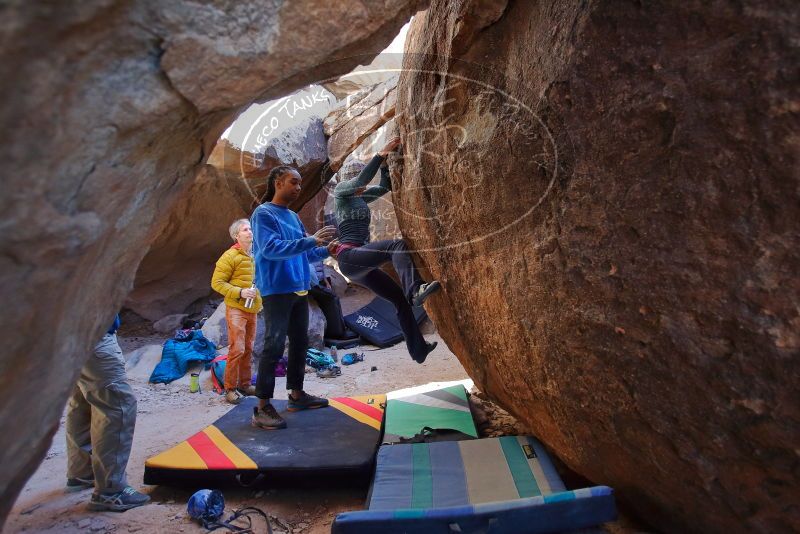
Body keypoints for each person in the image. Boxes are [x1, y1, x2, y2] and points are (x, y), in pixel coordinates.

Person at [333, 137, 441, 364]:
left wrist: (384, 166)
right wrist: (380, 153)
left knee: (398, 300)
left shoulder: (360, 197)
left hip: (360, 264)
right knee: (396, 245)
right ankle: (415, 290)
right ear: (349, 178)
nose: (362, 185)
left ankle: (418, 350)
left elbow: (384, 187)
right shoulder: (342, 192)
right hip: (349, 257)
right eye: (358, 178)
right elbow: (360, 180)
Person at [250, 165, 339, 430]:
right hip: (276, 289)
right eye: (293, 182)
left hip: (299, 289)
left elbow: (305, 253)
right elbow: (270, 249)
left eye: (300, 183)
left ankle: (296, 395)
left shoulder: (292, 216)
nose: (299, 188)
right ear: (278, 182)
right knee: (274, 345)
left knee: (300, 343)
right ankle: (262, 407)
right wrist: (311, 241)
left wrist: (325, 250)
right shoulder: (263, 213)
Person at [65, 315, 150, 512]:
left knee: (82, 402)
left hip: (68, 336)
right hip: (92, 333)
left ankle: (81, 473)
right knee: (117, 404)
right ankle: (111, 491)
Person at [211, 218, 263, 404]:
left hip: (253, 308)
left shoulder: (256, 254)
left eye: (251, 229)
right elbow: (216, 283)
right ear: (236, 235)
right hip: (236, 308)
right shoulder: (229, 256)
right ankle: (230, 389)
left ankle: (245, 384)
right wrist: (240, 292)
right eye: (245, 230)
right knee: (237, 348)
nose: (250, 232)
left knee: (249, 347)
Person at [308, 260, 359, 346]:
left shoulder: (316, 252)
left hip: (319, 282)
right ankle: (336, 332)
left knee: (333, 297)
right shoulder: (304, 250)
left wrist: (327, 283)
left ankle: (340, 329)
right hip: (312, 283)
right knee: (331, 299)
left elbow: (322, 269)